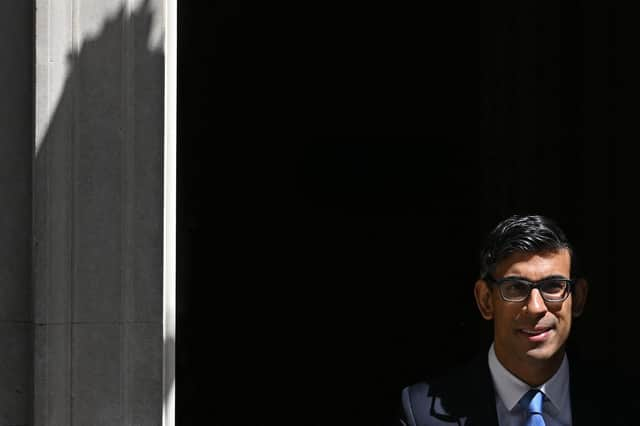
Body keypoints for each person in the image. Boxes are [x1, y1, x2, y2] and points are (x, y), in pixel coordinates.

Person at [397, 214, 631, 425]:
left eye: (553, 286)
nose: (535, 308)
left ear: (578, 299)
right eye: (516, 288)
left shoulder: (625, 404)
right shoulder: (420, 415)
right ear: (486, 301)